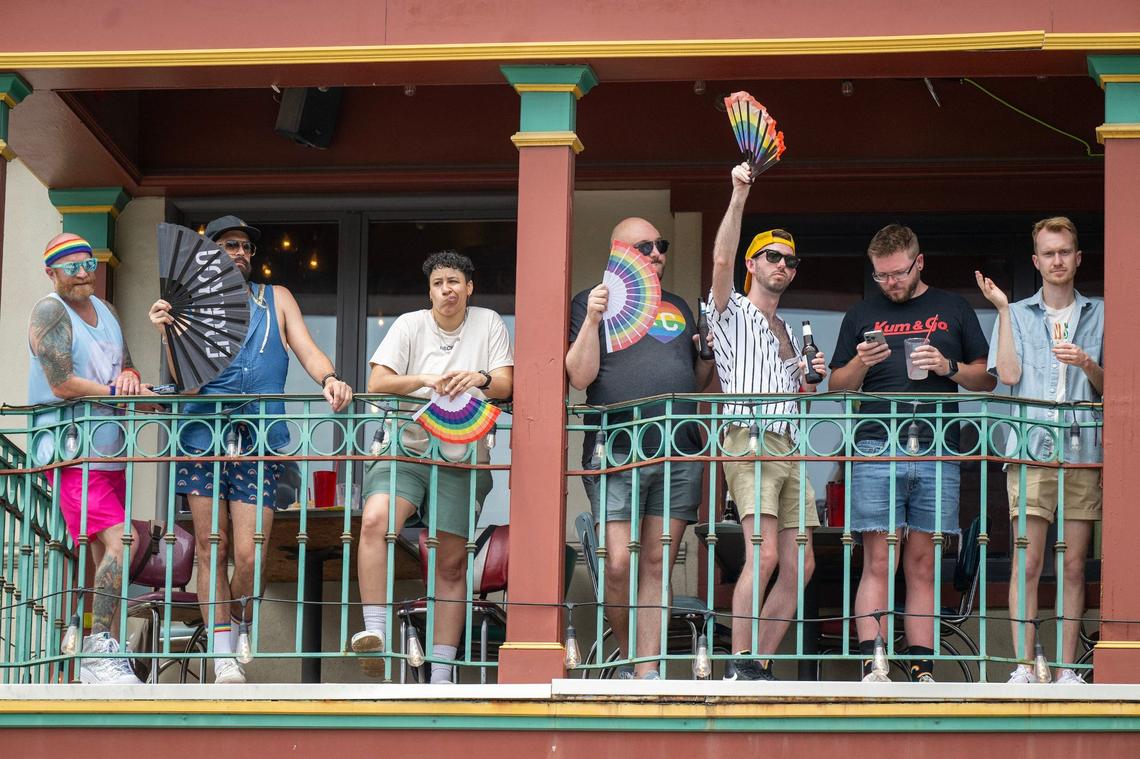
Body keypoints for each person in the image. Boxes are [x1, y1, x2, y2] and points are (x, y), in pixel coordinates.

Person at [148, 215, 353, 684]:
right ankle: (222, 651)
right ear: (210, 255)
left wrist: (329, 378)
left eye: (246, 246)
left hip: (259, 435)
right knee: (210, 546)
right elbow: (185, 382)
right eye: (230, 245)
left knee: (251, 553)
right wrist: (167, 333)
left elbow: (306, 348)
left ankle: (238, 621)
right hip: (202, 434)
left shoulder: (276, 297)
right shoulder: (191, 306)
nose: (240, 253)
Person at [829, 223, 995, 682]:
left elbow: (987, 378)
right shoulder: (861, 312)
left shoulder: (953, 307)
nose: (890, 283)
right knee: (879, 561)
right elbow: (836, 386)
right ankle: (874, 666)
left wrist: (948, 366)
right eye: (881, 275)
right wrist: (861, 362)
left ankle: (922, 669)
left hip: (938, 446)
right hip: (876, 443)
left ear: (919, 263)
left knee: (923, 564)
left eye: (898, 273)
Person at [566, 217, 715, 680]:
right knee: (617, 564)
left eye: (661, 245)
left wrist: (706, 354)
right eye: (645, 246)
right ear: (620, 254)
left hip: (677, 449)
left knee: (656, 563)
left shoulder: (678, 306)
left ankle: (647, 674)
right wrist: (593, 318)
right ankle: (632, 661)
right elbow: (579, 376)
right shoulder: (591, 300)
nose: (657, 254)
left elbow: (697, 383)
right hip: (616, 448)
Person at [354, 251, 513, 683]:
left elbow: (506, 383)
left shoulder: (489, 322)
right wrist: (425, 380)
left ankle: (441, 673)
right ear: (430, 291)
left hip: (463, 450)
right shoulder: (409, 324)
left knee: (451, 563)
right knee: (376, 520)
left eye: (455, 281)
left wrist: (478, 378)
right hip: (406, 444)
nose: (447, 289)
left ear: (469, 288)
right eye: (439, 283)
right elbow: (377, 382)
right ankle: (375, 633)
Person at [708, 162, 829, 681]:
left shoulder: (788, 329)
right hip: (750, 438)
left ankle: (757, 660)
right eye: (772, 257)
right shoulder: (731, 310)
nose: (782, 265)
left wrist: (811, 375)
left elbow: (803, 394)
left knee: (801, 563)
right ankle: (739, 663)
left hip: (790, 445)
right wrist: (739, 194)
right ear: (752, 264)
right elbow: (720, 258)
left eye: (789, 260)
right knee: (762, 554)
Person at [976, 216, 1103, 685]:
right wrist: (1002, 310)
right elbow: (1007, 375)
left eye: (1064, 251)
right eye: (1048, 253)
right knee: (1026, 563)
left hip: (1083, 450)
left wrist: (1086, 362)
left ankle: (1067, 670)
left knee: (1073, 566)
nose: (1057, 260)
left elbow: (1117, 387)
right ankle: (1024, 667)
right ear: (1035, 260)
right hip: (1030, 449)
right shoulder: (1016, 313)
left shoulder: (1102, 313)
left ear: (1078, 257)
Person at [28, 233, 156, 684]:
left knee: (106, 554)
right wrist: (116, 391)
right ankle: (97, 649)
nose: (84, 273)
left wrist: (131, 378)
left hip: (110, 452)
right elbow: (61, 382)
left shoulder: (108, 311)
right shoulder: (49, 311)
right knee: (123, 542)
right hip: (70, 452)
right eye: (72, 267)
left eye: (88, 264)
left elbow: (127, 364)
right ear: (51, 272)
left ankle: (105, 654)